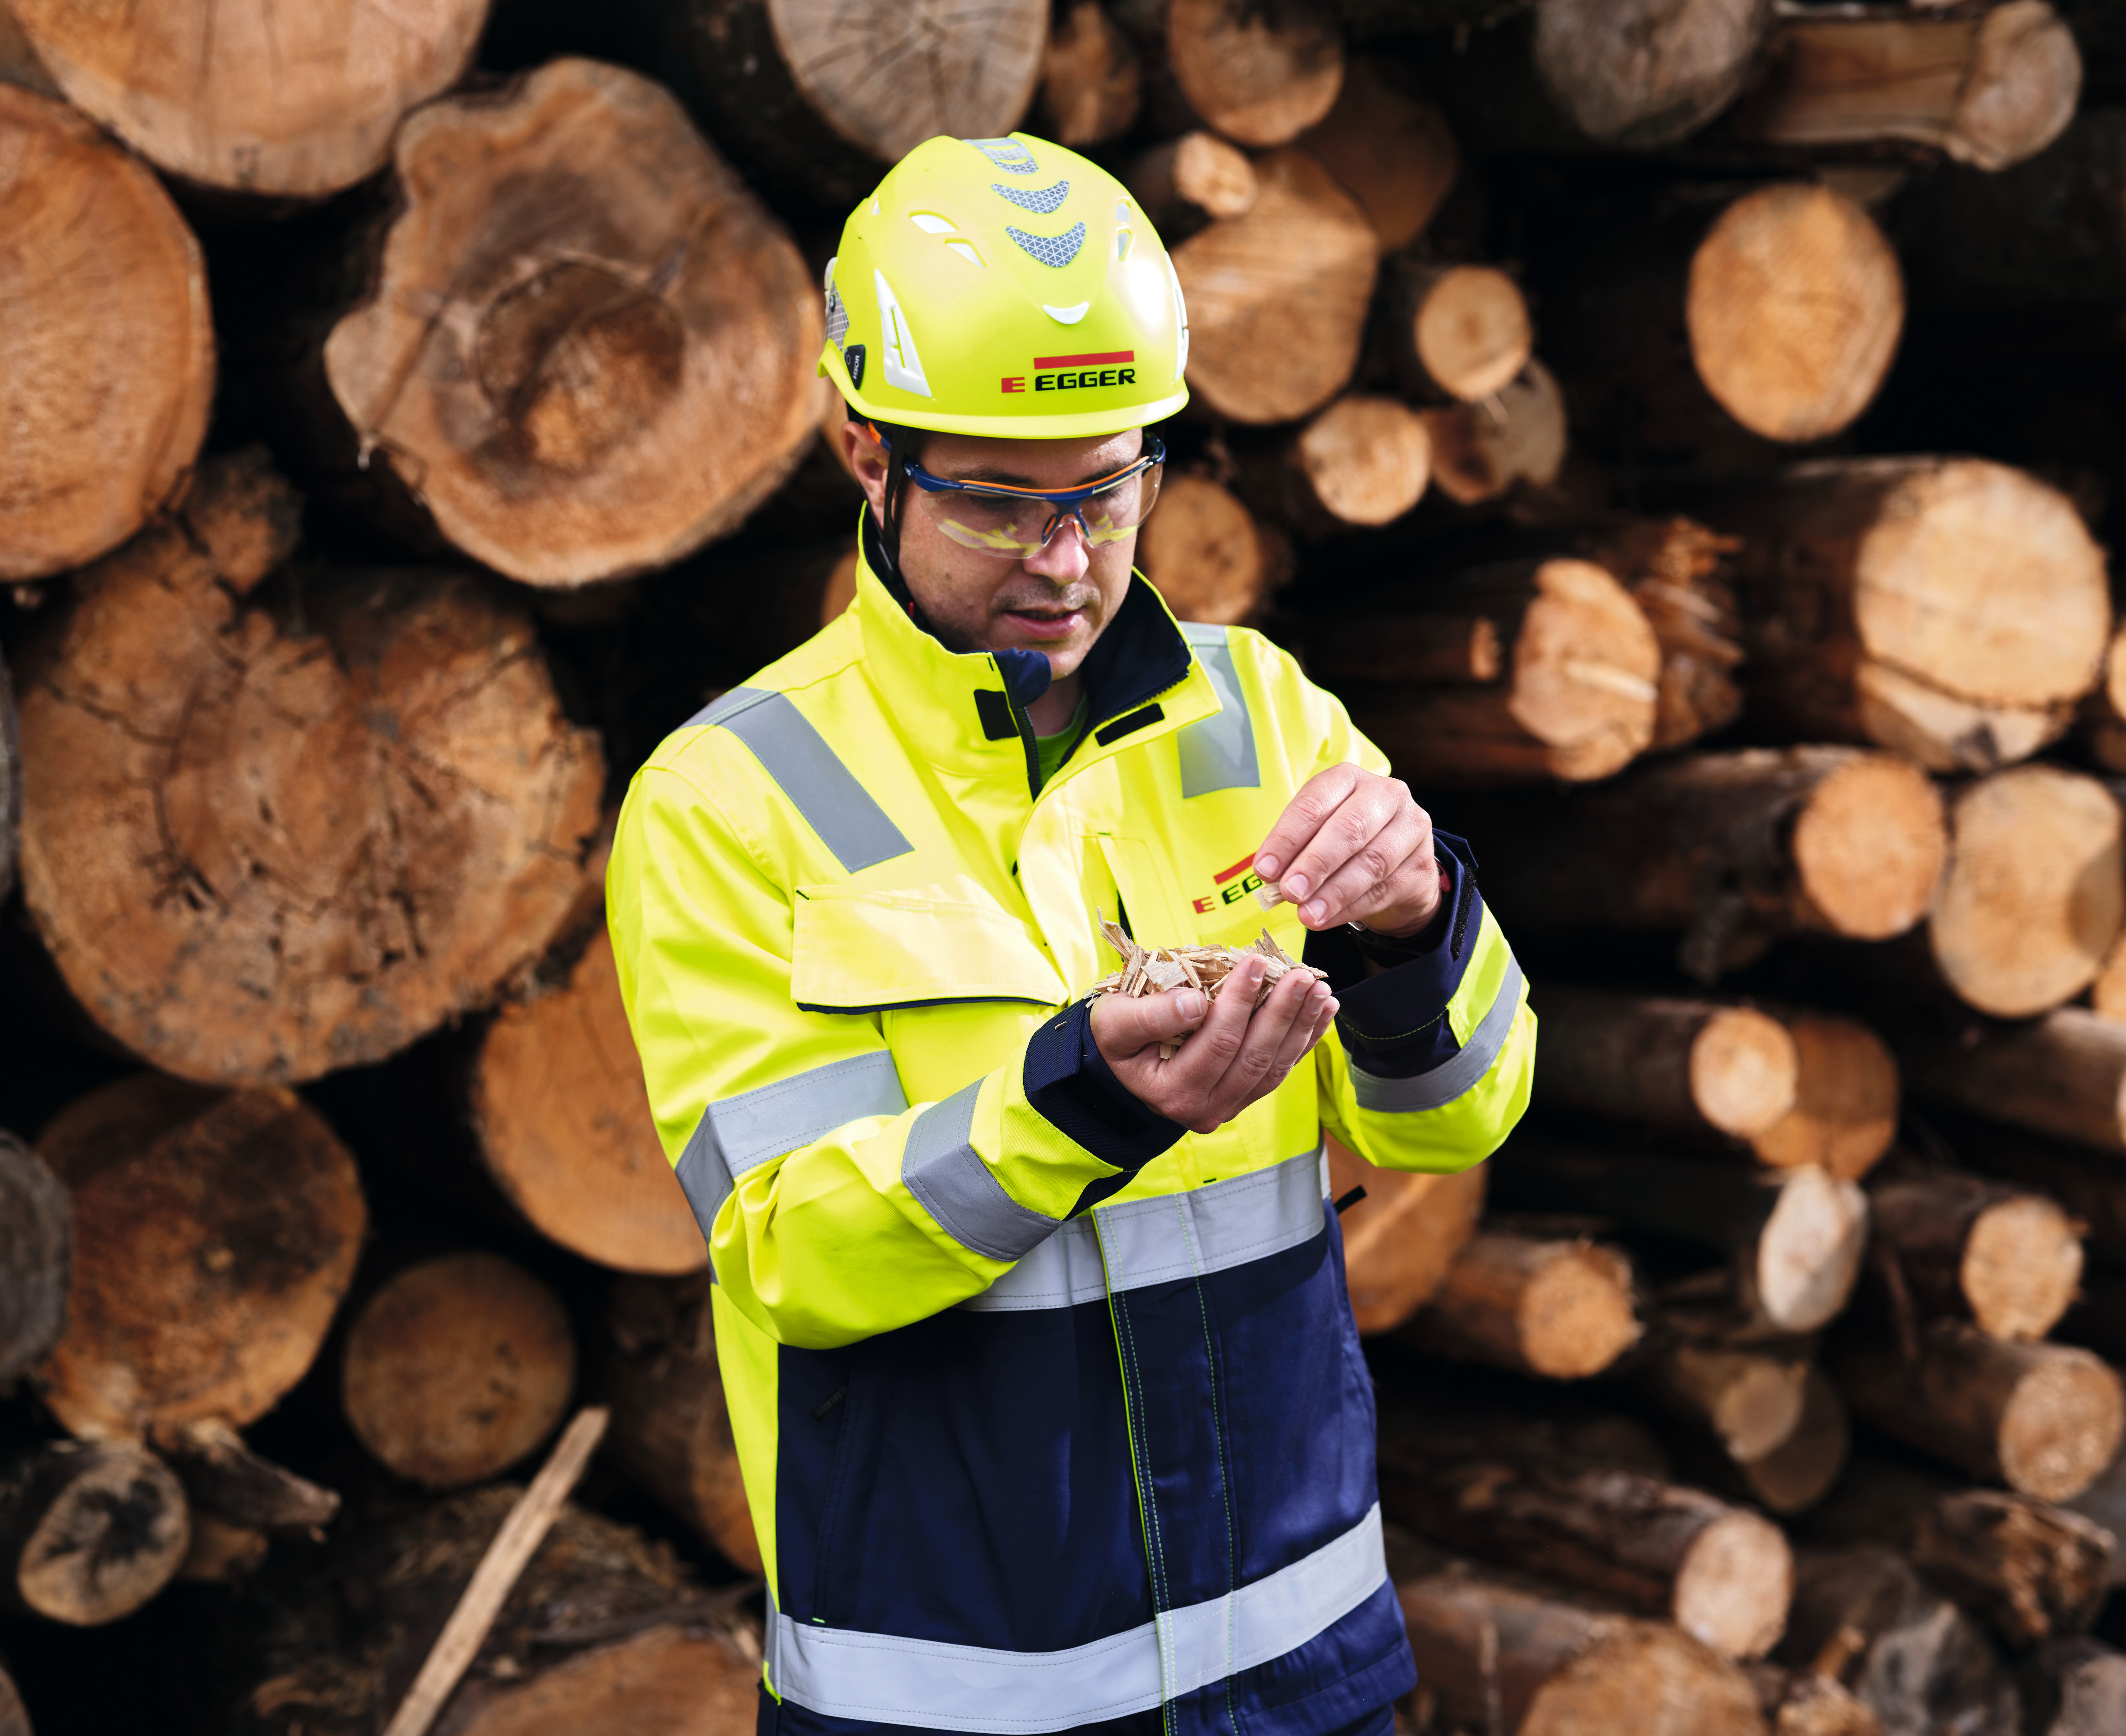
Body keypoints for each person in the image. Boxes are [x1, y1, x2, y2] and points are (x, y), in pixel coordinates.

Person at [607, 132, 1534, 1736]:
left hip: (1309, 1670)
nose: (1067, 560)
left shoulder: (1263, 707)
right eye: (1000, 501)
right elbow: (793, 1255)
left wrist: (1413, 925)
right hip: (957, 1700)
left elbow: (1455, 1116)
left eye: (1111, 491)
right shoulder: (722, 800)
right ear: (862, 450)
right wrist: (1079, 1107)